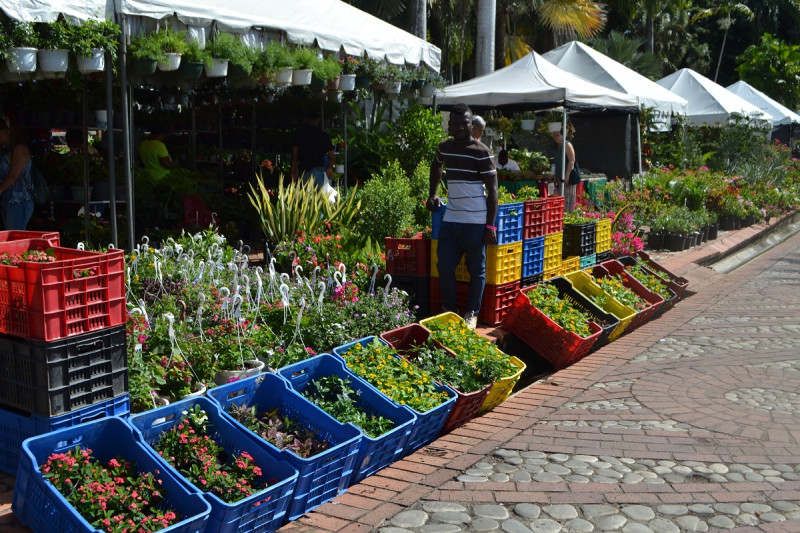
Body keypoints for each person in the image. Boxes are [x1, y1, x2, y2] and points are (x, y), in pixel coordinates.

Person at [427, 103, 498, 330]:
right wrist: (433, 193)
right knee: (444, 268)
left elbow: (493, 191)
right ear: (449, 125)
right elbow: (436, 166)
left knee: (476, 270)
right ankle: (450, 310)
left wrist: (490, 227)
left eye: (464, 123)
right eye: (455, 123)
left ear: (471, 125)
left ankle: (471, 314)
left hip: (475, 224)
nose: (459, 127)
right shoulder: (444, 147)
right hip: (451, 220)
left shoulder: (482, 152)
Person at [0, 118, 34, 230]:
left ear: (7, 132)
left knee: (14, 237)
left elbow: (13, 176)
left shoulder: (19, 149)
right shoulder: (8, 150)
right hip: (9, 200)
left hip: (19, 201)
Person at [291, 108, 335, 190]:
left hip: (303, 171)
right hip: (318, 171)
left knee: (304, 200)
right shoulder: (324, 135)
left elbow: (295, 155)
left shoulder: (299, 134)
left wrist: (294, 171)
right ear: (319, 119)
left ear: (306, 118)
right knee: (318, 200)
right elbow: (332, 157)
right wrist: (329, 168)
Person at [551, 127, 577, 211]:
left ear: (563, 135)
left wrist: (567, 176)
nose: (555, 137)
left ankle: (568, 218)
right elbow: (557, 163)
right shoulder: (557, 147)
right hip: (559, 178)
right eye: (554, 135)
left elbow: (572, 161)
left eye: (558, 135)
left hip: (567, 179)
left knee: (568, 200)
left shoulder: (567, 145)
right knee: (560, 200)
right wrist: (555, 176)